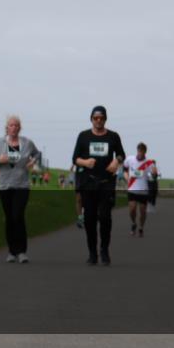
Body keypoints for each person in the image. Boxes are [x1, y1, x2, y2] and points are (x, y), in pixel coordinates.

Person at [72, 105, 125, 266]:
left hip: (106, 182)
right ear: (91, 119)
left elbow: (121, 154)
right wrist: (85, 162)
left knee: (105, 217)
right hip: (89, 182)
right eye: (95, 118)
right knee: (89, 219)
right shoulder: (83, 136)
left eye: (101, 118)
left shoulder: (113, 136)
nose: (98, 120)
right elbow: (75, 158)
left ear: (105, 119)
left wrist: (117, 161)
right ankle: (92, 252)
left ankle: (104, 250)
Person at [0, 115, 41, 263]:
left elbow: (37, 153)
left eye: (16, 125)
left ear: (20, 128)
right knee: (10, 218)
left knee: (18, 215)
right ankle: (12, 252)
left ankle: (22, 252)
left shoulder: (27, 143)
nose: (14, 128)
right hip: (4, 186)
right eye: (11, 125)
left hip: (22, 185)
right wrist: (0, 160)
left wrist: (32, 162)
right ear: (7, 127)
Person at [123, 142, 157, 237]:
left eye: (142, 151)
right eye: (139, 151)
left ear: (145, 152)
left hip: (143, 191)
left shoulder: (149, 163)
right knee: (132, 209)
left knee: (142, 212)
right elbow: (125, 169)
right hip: (132, 189)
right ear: (137, 150)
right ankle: (133, 223)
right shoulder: (130, 159)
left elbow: (153, 177)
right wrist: (126, 177)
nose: (140, 153)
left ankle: (141, 227)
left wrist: (154, 173)